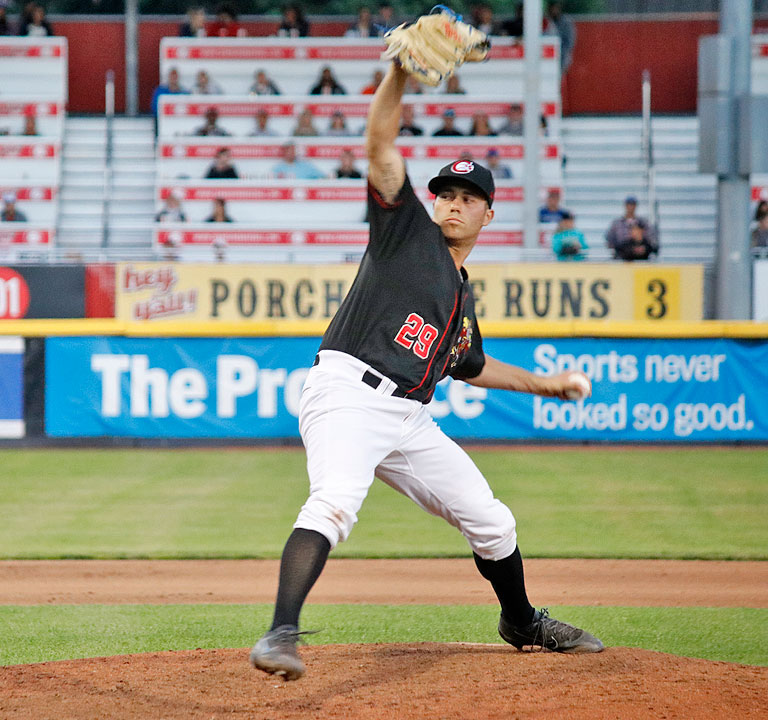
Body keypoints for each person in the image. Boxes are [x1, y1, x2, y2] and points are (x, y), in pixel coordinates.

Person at [248, 61, 604, 683]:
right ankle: (280, 632)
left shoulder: (461, 294)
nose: (454, 205)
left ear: (488, 215)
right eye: (447, 194)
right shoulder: (405, 231)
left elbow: (470, 365)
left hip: (408, 417)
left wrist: (547, 384)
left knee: (492, 520)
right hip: (349, 393)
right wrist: (399, 75)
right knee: (334, 504)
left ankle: (519, 619)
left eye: (470, 199)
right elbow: (380, 143)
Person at [605, 196, 657, 260]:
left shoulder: (643, 222)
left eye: (633, 204)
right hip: (621, 257)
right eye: (629, 204)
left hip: (642, 259)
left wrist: (644, 248)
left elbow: (652, 241)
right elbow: (610, 241)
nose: (631, 207)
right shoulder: (617, 223)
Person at [545, 1, 575, 74]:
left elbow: (570, 42)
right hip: (547, 56)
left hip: (562, 56)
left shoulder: (566, 23)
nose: (553, 11)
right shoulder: (546, 21)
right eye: (551, 9)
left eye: (554, 8)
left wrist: (560, 52)